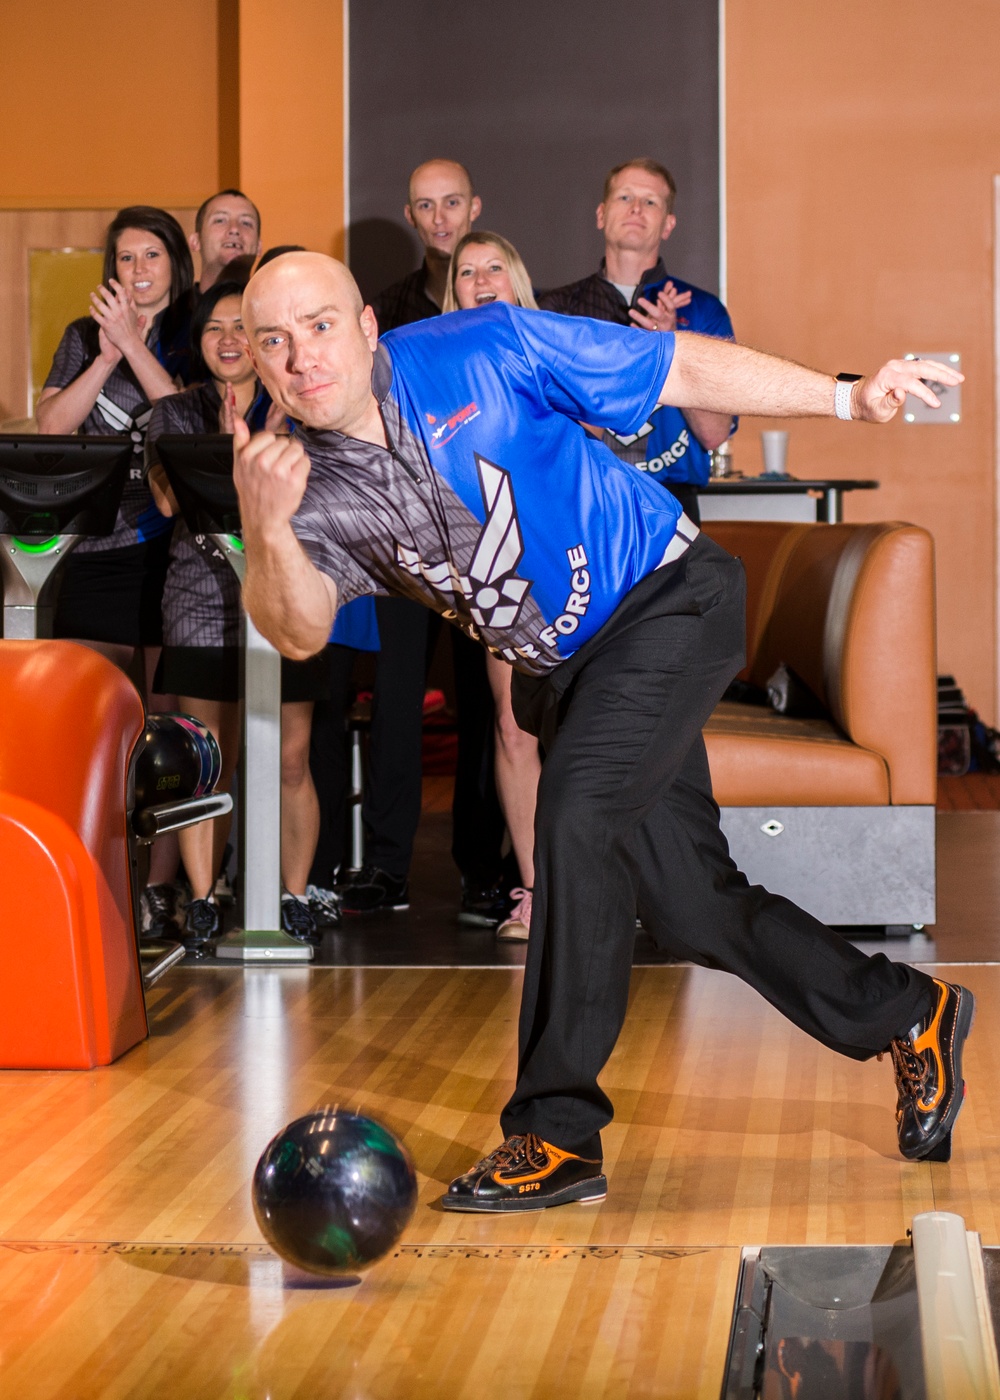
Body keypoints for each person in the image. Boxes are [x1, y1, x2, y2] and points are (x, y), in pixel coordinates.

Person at [232, 251, 971, 1214]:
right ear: (252, 357)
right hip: (569, 672)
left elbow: (674, 369)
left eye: (320, 327)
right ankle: (911, 1014)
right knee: (693, 908)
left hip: (666, 602)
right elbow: (296, 628)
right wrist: (269, 530)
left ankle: (554, 1133)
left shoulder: (483, 348)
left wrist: (847, 396)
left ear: (368, 325)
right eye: (274, 343)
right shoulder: (298, 484)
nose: (301, 359)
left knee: (574, 817)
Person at [333, 160, 507, 923]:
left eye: (453, 205)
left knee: (489, 705)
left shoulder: (507, 306)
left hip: (490, 536)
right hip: (407, 532)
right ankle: (388, 867)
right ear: (412, 214)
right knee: (398, 698)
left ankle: (487, 868)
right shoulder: (389, 308)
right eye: (427, 207)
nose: (441, 218)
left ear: (475, 206)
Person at [145, 281, 334, 946]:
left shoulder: (302, 404)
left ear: (262, 340)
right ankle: (202, 900)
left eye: (241, 327)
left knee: (289, 757)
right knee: (207, 756)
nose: (227, 340)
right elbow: (168, 505)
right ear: (198, 342)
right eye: (213, 328)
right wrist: (231, 451)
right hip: (199, 598)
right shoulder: (173, 413)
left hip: (286, 592)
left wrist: (265, 439)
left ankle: (291, 895)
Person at [37, 205, 194, 937]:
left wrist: (136, 345)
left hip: (171, 546)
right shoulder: (79, 336)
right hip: (94, 549)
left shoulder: (197, 333)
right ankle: (86, 877)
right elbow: (51, 429)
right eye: (125, 259)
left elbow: (186, 422)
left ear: (174, 265)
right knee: (91, 719)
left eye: (151, 257)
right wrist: (104, 354)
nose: (137, 271)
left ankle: (158, 889)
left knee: (163, 725)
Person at [442, 231, 544, 941]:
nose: (480, 280)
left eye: (493, 268)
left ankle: (599, 885)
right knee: (513, 729)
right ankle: (538, 893)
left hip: (573, 555)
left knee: (583, 735)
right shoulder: (438, 367)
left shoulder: (552, 344)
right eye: (466, 272)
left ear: (516, 280)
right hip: (495, 561)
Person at [539, 158, 734, 524]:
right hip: (580, 499)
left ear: (668, 224)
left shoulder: (703, 310)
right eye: (624, 197)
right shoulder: (557, 310)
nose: (635, 209)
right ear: (600, 215)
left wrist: (672, 347)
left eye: (650, 202)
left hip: (672, 504)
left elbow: (714, 435)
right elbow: (542, 430)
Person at [189, 189, 263, 293]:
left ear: (259, 247)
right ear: (196, 241)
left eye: (246, 223)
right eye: (220, 220)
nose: (234, 229)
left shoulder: (274, 308)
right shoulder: (176, 308)